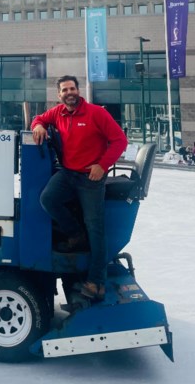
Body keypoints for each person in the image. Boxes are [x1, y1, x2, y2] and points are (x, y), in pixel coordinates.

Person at [31, 75, 127, 302]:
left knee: (96, 228)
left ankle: (96, 282)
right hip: (68, 173)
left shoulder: (96, 113)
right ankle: (75, 235)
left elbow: (120, 140)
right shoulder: (58, 113)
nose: (69, 93)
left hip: (91, 178)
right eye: (64, 90)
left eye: (72, 88)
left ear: (78, 90)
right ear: (59, 95)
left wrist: (102, 166)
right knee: (48, 199)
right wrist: (38, 126)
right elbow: (39, 118)